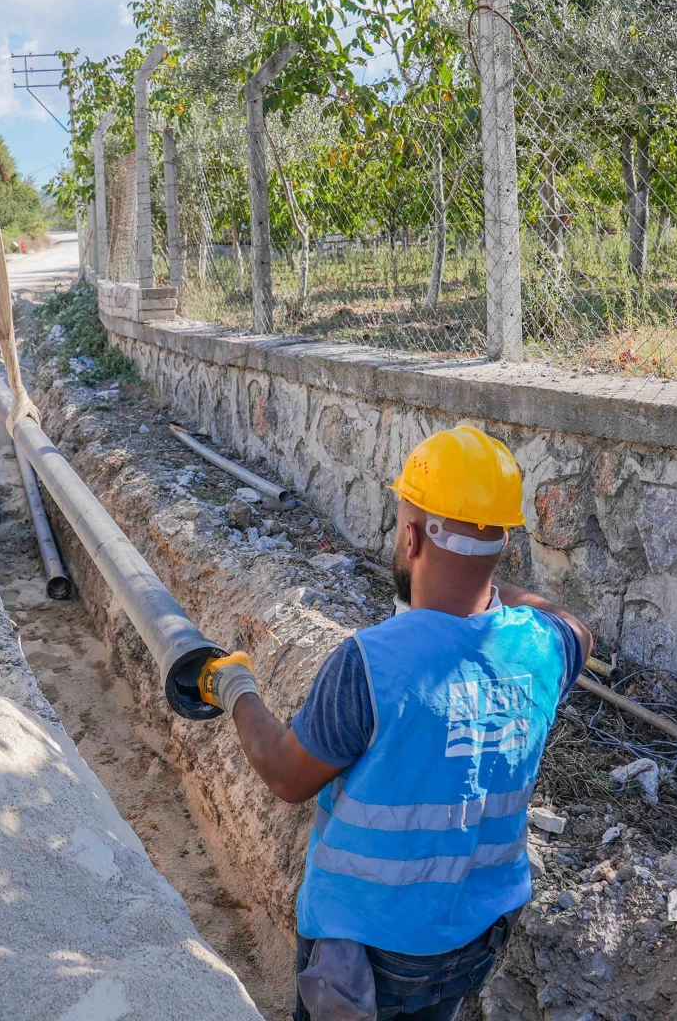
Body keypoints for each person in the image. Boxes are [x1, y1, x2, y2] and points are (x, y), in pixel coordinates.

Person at [199, 425, 593, 1021]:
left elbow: (286, 775)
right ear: (501, 542)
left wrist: (236, 687)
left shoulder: (370, 663)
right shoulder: (545, 649)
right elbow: (573, 624)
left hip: (371, 953)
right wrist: (482, 588)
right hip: (477, 935)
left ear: (411, 536)